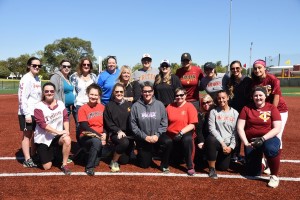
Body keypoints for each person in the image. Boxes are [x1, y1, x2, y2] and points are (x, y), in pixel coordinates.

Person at [237, 86, 282, 188]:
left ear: (265, 96)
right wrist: (246, 142)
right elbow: (240, 127)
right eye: (255, 95)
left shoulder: (272, 108)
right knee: (253, 173)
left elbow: (277, 128)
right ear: (252, 97)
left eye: (260, 95)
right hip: (252, 142)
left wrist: (262, 139)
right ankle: (263, 164)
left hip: (268, 138)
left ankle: (274, 176)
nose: (258, 97)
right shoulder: (246, 108)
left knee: (270, 149)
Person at [34, 82, 72, 175]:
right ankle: (44, 154)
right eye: (46, 91)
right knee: (47, 167)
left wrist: (66, 130)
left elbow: (66, 118)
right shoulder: (38, 106)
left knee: (67, 139)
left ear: (54, 92)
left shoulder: (60, 103)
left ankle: (64, 164)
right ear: (43, 93)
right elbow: (42, 125)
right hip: (43, 139)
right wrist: (58, 131)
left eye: (51, 91)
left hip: (56, 138)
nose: (49, 93)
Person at [130, 81, 168, 169]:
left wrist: (157, 135)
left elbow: (164, 123)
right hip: (143, 138)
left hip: (156, 137)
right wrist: (145, 137)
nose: (147, 93)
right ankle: (145, 154)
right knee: (144, 165)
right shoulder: (135, 106)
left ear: (153, 92)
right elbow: (134, 126)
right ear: (141, 92)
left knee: (168, 142)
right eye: (145, 91)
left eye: (149, 91)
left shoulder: (160, 105)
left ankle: (164, 164)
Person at [251, 59, 288, 150]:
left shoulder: (272, 79)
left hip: (279, 110)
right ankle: (263, 159)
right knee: (264, 134)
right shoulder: (255, 81)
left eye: (259, 68)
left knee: (276, 134)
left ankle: (275, 158)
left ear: (265, 68)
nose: (257, 70)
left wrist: (272, 112)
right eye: (255, 68)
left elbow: (276, 97)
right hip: (264, 110)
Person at [164, 87, 198, 175]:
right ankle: (164, 162)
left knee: (187, 139)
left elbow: (192, 124)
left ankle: (190, 165)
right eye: (177, 95)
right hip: (171, 134)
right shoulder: (169, 106)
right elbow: (164, 121)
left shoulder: (189, 106)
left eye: (181, 95)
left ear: (185, 95)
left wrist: (181, 133)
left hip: (184, 133)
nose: (179, 97)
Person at [206, 90, 238, 179]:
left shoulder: (235, 113)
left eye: (223, 98)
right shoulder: (214, 112)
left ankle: (217, 157)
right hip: (217, 141)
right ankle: (211, 168)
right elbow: (212, 129)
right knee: (210, 139)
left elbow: (235, 132)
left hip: (227, 144)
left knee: (223, 167)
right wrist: (222, 143)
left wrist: (231, 147)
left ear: (227, 98)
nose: (221, 100)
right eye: (219, 98)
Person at [18, 56, 42, 168]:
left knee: (35, 134)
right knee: (27, 135)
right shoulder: (26, 79)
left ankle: (33, 155)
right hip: (27, 112)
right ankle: (27, 159)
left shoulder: (37, 79)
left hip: (36, 112)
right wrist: (27, 114)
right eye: (34, 65)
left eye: (39, 66)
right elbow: (22, 98)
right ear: (29, 66)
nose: (37, 67)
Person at [77, 83, 106, 176]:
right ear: (87, 94)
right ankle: (89, 168)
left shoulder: (103, 108)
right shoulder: (83, 108)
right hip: (87, 136)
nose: (93, 96)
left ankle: (83, 153)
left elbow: (106, 124)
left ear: (99, 96)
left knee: (97, 162)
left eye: (95, 95)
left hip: (100, 136)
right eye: (91, 94)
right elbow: (85, 127)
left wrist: (105, 134)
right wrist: (100, 136)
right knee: (96, 142)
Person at [104, 83, 134, 172]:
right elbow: (108, 123)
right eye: (117, 91)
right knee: (124, 142)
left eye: (121, 91)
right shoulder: (109, 106)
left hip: (128, 134)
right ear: (113, 92)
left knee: (124, 161)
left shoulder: (129, 105)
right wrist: (118, 131)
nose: (119, 93)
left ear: (124, 92)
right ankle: (113, 161)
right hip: (116, 134)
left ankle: (115, 151)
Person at [227, 60, 252, 162]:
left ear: (241, 68)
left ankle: (249, 155)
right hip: (234, 111)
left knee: (247, 133)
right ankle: (235, 155)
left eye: (237, 68)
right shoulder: (230, 81)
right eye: (233, 68)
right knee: (236, 133)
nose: (235, 70)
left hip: (246, 110)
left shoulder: (247, 80)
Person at [70, 57, 97, 144]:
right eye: (84, 64)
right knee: (79, 126)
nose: (86, 66)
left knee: (89, 125)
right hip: (79, 105)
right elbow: (72, 90)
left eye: (88, 64)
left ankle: (88, 145)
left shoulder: (94, 77)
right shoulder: (75, 76)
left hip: (90, 105)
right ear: (81, 66)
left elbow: (96, 90)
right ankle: (80, 145)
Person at [195, 94, 215, 167]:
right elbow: (199, 130)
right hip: (205, 138)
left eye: (208, 102)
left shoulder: (217, 111)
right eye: (203, 103)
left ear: (212, 102)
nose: (206, 104)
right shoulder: (200, 114)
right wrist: (201, 141)